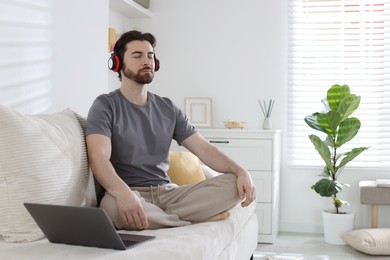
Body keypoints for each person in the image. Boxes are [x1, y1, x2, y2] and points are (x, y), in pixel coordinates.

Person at [86, 30, 256, 231]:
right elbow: (99, 159)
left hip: (170, 193)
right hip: (130, 192)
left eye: (150, 55)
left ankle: (162, 219)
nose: (147, 61)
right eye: (137, 55)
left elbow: (204, 149)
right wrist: (124, 195)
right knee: (111, 208)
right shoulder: (105, 105)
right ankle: (191, 220)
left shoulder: (167, 108)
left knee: (234, 184)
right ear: (117, 63)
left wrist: (241, 171)